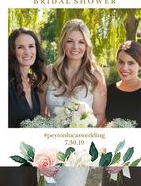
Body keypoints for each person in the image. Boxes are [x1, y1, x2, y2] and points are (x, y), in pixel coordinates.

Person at [42, 19, 107, 186]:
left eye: (81, 42)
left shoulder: (95, 76)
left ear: (87, 46)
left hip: (78, 152)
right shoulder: (49, 72)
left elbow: (100, 115)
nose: (75, 47)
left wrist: (81, 126)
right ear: (63, 43)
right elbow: (40, 113)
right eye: (70, 41)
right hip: (50, 149)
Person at [0, 28, 47, 186]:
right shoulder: (2, 81)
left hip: (29, 164)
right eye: (20, 47)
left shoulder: (34, 82)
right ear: (12, 51)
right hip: (8, 164)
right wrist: (20, 149)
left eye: (31, 46)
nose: (27, 52)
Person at [102, 40, 141, 186]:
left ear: (140, 65)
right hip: (112, 160)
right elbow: (102, 125)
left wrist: (125, 157)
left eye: (131, 63)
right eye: (121, 62)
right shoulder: (108, 91)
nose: (124, 67)